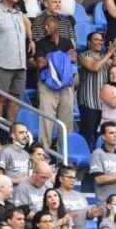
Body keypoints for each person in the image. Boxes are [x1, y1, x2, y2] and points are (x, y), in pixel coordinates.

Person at [35, 14, 77, 150]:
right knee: (46, 121)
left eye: (48, 25)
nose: (45, 28)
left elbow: (74, 57)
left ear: (56, 26)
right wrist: (62, 58)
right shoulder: (41, 43)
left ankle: (64, 158)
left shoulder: (67, 42)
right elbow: (40, 63)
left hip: (65, 86)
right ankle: (44, 156)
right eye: (44, 26)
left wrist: (52, 58)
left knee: (67, 123)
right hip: (48, 86)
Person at [78, 32, 116, 149]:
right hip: (88, 102)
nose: (99, 42)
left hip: (102, 104)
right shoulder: (84, 55)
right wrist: (109, 53)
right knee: (87, 134)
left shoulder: (104, 57)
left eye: (101, 40)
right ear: (89, 42)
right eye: (96, 40)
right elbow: (95, 67)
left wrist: (113, 52)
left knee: (99, 135)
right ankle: (84, 158)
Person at [90, 122, 116, 204]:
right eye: (111, 133)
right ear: (103, 136)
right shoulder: (97, 153)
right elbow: (99, 179)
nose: (115, 135)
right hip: (106, 203)